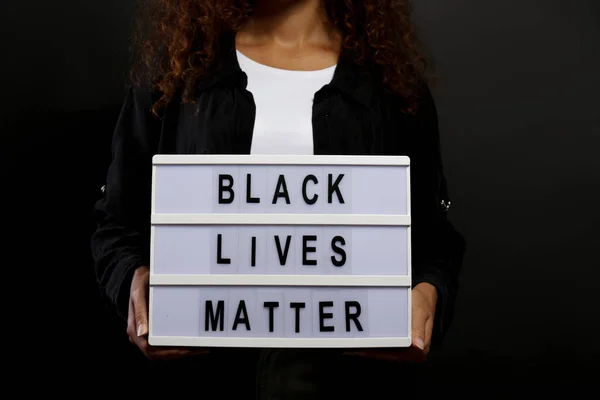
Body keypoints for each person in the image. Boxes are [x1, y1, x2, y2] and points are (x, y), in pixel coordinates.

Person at [91, 0, 466, 397]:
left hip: (342, 382)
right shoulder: (176, 73)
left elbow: (435, 244)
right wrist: (134, 282)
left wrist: (427, 294)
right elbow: (116, 224)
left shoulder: (393, 86)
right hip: (204, 379)